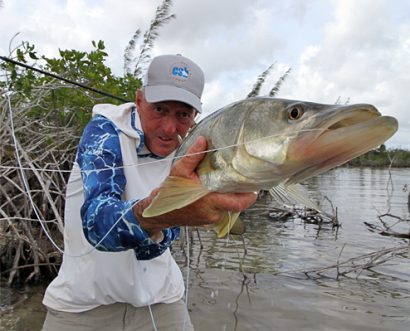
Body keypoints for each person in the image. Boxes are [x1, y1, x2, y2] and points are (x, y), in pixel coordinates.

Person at [41, 54, 257, 331]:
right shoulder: (105, 132)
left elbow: (159, 244)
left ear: (195, 116)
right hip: (83, 305)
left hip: (162, 301)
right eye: (159, 110)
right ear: (140, 100)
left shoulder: (192, 150)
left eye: (183, 114)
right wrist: (169, 212)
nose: (169, 128)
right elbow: (97, 225)